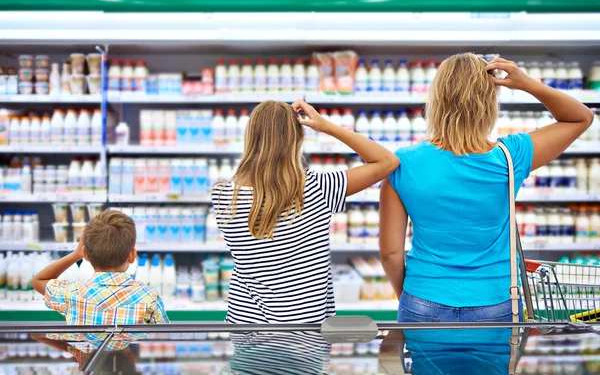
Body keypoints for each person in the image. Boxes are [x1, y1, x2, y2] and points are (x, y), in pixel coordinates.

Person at [379, 54, 594, 322]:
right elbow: (580, 118)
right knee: (492, 365)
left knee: (422, 366)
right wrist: (528, 84)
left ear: (435, 100)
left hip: (424, 296)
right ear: (489, 101)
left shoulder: (402, 162)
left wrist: (412, 296)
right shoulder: (511, 155)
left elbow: (390, 254)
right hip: (495, 297)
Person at [212, 99, 399, 323]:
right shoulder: (318, 188)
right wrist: (325, 126)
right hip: (305, 332)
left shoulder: (223, 196)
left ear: (249, 137)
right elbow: (388, 161)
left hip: (244, 328)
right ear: (297, 140)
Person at [32, 210, 169, 325]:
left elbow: (38, 281)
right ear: (132, 255)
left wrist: (75, 255)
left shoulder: (72, 294)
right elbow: (163, 339)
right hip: (129, 356)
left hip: (88, 357)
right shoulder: (150, 298)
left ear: (85, 254)